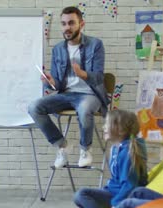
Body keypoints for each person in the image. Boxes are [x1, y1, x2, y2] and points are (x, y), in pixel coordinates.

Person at [28, 6, 109, 168]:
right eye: (64, 24)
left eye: (71, 23)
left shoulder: (96, 44)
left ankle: (85, 149)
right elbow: (57, 84)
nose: (67, 27)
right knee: (34, 107)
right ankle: (62, 146)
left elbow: (100, 77)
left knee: (85, 109)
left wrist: (83, 74)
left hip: (90, 94)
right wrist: (49, 81)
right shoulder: (58, 49)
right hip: (66, 95)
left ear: (81, 24)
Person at [73, 109, 148, 208]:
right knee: (80, 196)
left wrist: (115, 205)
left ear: (120, 130)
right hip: (114, 191)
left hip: (122, 195)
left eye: (107, 124)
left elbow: (129, 186)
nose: (103, 127)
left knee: (82, 195)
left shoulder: (127, 153)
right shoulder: (115, 148)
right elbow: (116, 179)